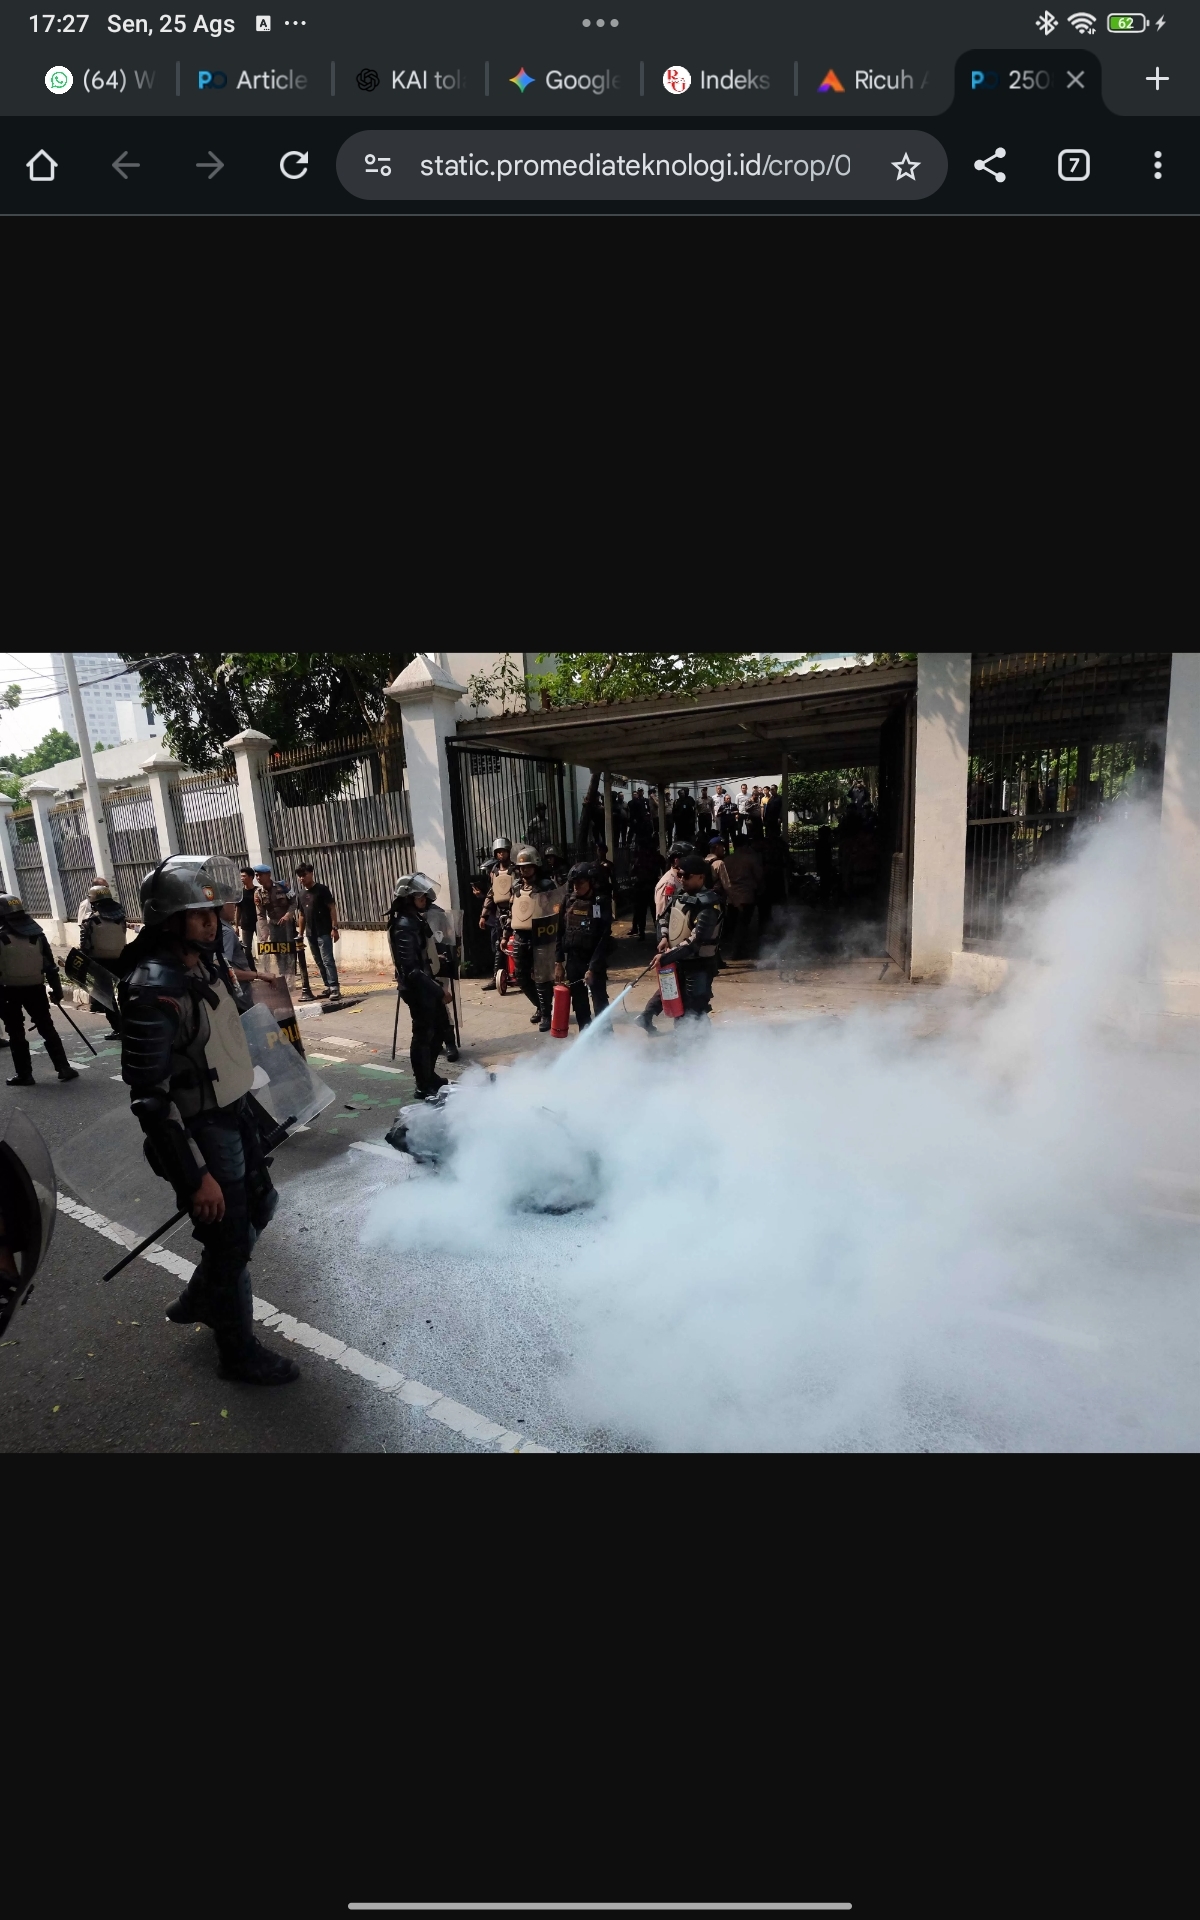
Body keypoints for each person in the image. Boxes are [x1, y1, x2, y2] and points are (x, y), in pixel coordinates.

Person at [118, 853, 299, 1385]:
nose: (213, 920)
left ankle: (201, 1294)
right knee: (230, 1243)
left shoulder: (207, 963)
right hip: (201, 1131)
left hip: (236, 1112)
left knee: (261, 1204)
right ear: (168, 921)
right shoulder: (153, 988)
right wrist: (195, 1176)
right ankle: (237, 1353)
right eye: (199, 914)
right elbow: (150, 1099)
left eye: (212, 911)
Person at [638, 857, 725, 1034]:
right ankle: (685, 1051)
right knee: (678, 1009)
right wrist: (663, 937)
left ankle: (700, 1051)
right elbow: (664, 918)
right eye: (679, 875)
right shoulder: (680, 896)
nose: (681, 879)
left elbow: (696, 941)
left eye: (686, 876)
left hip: (699, 966)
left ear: (700, 877)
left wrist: (666, 957)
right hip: (678, 963)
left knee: (695, 1011)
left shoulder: (708, 904)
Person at [0, 896, 79, 1086]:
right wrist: (57, 991)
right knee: (46, 1027)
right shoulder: (37, 935)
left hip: (7, 991)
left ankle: (25, 1075)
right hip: (35, 988)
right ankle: (63, 1067)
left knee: (16, 1033)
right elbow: (50, 966)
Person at [388, 872, 453, 1098]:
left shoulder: (415, 918)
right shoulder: (404, 925)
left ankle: (429, 1075)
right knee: (424, 1036)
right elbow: (411, 970)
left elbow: (422, 954)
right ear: (407, 898)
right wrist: (438, 990)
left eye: (425, 896)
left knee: (439, 1031)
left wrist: (438, 960)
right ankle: (422, 1084)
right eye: (419, 897)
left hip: (425, 984)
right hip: (418, 989)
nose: (424, 900)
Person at [510, 845, 567, 1033]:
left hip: (541, 935)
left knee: (542, 977)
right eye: (521, 867)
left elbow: (556, 909)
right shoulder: (517, 886)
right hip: (520, 935)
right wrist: (505, 935)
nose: (523, 870)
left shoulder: (546, 886)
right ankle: (540, 1006)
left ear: (535, 865)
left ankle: (546, 1014)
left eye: (527, 866)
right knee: (521, 976)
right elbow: (511, 911)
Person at [555, 862, 613, 1033]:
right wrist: (559, 962)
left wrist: (593, 968)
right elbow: (560, 932)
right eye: (573, 883)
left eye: (580, 883)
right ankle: (586, 1039)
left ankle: (607, 1041)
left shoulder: (601, 902)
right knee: (579, 1003)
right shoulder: (568, 901)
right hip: (573, 960)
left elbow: (603, 938)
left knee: (600, 1003)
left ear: (591, 882)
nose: (576, 887)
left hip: (593, 961)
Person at [77, 877, 128, 1032]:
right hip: (121, 960)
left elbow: (84, 946)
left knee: (108, 998)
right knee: (125, 993)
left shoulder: (91, 921)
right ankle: (130, 1023)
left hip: (99, 963)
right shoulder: (121, 919)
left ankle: (118, 1029)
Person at [422, 886, 461, 1065]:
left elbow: (447, 937)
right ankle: (434, 1041)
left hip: (437, 965)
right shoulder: (406, 918)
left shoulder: (437, 914)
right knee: (425, 1008)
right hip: (418, 967)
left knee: (441, 1004)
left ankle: (450, 1043)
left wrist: (445, 957)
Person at [294, 862, 342, 1003]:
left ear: (311, 873)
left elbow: (332, 908)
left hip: (324, 931)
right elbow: (302, 914)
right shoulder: (301, 894)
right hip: (310, 933)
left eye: (304, 875)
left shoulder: (322, 890)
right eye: (299, 876)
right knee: (319, 961)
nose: (302, 878)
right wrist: (300, 933)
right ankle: (328, 986)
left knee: (328, 960)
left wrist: (334, 928)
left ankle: (334, 988)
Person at [252, 863, 299, 986]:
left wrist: (287, 915)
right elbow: (261, 915)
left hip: (287, 925)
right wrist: (264, 931)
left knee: (288, 950)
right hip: (273, 925)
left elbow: (294, 903)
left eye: (260, 875)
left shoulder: (283, 886)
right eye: (256, 875)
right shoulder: (258, 893)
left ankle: (290, 978)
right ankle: (283, 976)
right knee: (277, 951)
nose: (258, 878)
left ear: (268, 875)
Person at [480, 836, 516, 992]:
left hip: (515, 911)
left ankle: (522, 974)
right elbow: (491, 893)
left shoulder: (516, 869)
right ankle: (496, 977)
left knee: (517, 943)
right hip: (500, 912)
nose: (501, 855)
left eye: (503, 851)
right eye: (498, 852)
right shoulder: (494, 871)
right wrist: (484, 915)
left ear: (508, 852)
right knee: (499, 944)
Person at [219, 901, 258, 1014]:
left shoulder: (222, 928)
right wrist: (258, 975)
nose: (235, 907)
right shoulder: (226, 933)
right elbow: (224, 969)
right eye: (231, 904)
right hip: (238, 998)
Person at [628, 838, 662, 942]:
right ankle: (641, 932)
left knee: (654, 912)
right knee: (642, 912)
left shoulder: (656, 858)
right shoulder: (640, 859)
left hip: (650, 887)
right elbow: (631, 873)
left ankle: (654, 933)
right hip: (643, 888)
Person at [236, 867, 259, 960]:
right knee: (246, 949)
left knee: (263, 947)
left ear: (251, 877)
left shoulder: (258, 891)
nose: (242, 878)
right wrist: (236, 926)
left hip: (258, 923)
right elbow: (238, 910)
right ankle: (252, 970)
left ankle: (266, 969)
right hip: (245, 924)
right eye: (241, 876)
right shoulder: (240, 893)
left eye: (244, 876)